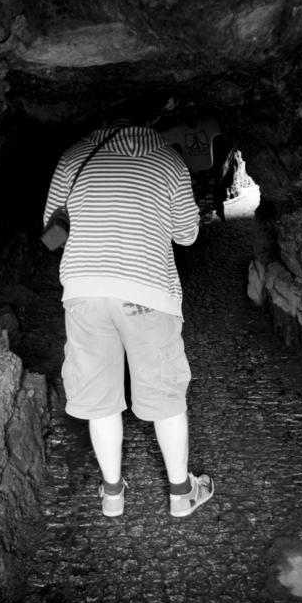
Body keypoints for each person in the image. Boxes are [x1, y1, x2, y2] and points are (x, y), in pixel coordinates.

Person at [43, 116, 215, 518]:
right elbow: (187, 234)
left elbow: (52, 229)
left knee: (99, 398)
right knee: (165, 394)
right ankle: (181, 494)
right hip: (147, 290)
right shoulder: (169, 161)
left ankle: (112, 496)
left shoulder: (73, 157)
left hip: (85, 290)